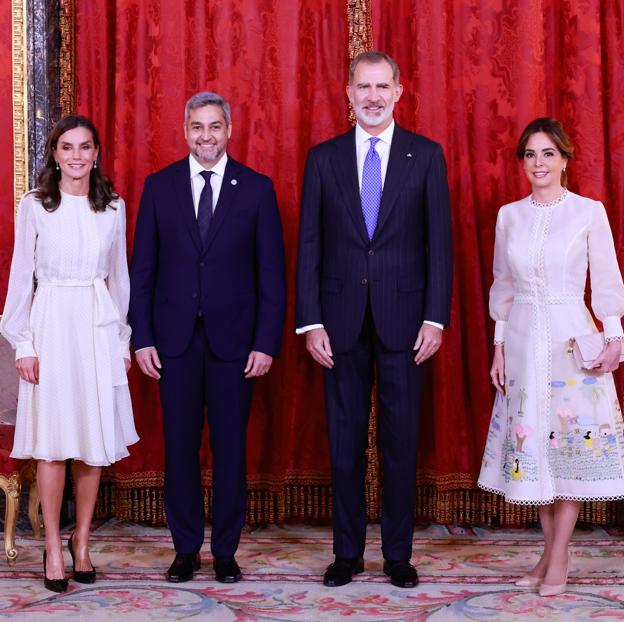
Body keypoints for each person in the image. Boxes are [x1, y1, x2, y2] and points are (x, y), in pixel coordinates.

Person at [295, 51, 453, 588]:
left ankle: (398, 556)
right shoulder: (323, 158)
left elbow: (441, 246)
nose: (373, 96)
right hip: (337, 324)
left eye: (382, 86)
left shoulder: (426, 156)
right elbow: (309, 244)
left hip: (407, 323)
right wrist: (309, 321)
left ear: (399, 92)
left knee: (400, 444)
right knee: (342, 446)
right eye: (363, 86)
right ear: (348, 93)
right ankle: (346, 554)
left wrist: (435, 318)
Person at [129, 92, 286, 584]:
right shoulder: (159, 187)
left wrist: (265, 342)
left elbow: (272, 276)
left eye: (215, 126)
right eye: (197, 126)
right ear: (184, 130)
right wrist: (142, 338)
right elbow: (144, 272)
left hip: (235, 345)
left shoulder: (257, 190)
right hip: (173, 343)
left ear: (230, 129)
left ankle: (225, 550)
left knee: (230, 449)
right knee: (179, 448)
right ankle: (185, 548)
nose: (206, 136)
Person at [478, 117, 624, 596]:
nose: (538, 163)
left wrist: (614, 334)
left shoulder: (588, 211)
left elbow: (605, 278)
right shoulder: (509, 215)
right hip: (521, 338)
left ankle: (557, 558)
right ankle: (550, 553)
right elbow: (502, 283)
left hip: (569, 339)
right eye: (530, 155)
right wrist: (498, 346)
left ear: (564, 159)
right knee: (534, 449)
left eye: (547, 154)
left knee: (566, 448)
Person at [0, 115, 138, 592]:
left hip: (97, 327)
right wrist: (24, 343)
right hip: (52, 324)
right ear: (54, 155)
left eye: (85, 147)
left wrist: (122, 341)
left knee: (92, 442)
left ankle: (82, 542)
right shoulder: (36, 205)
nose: (77, 156)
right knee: (55, 441)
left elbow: (119, 278)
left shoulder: (114, 207)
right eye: (67, 147)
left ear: (96, 153)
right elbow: (22, 276)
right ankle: (53, 547)